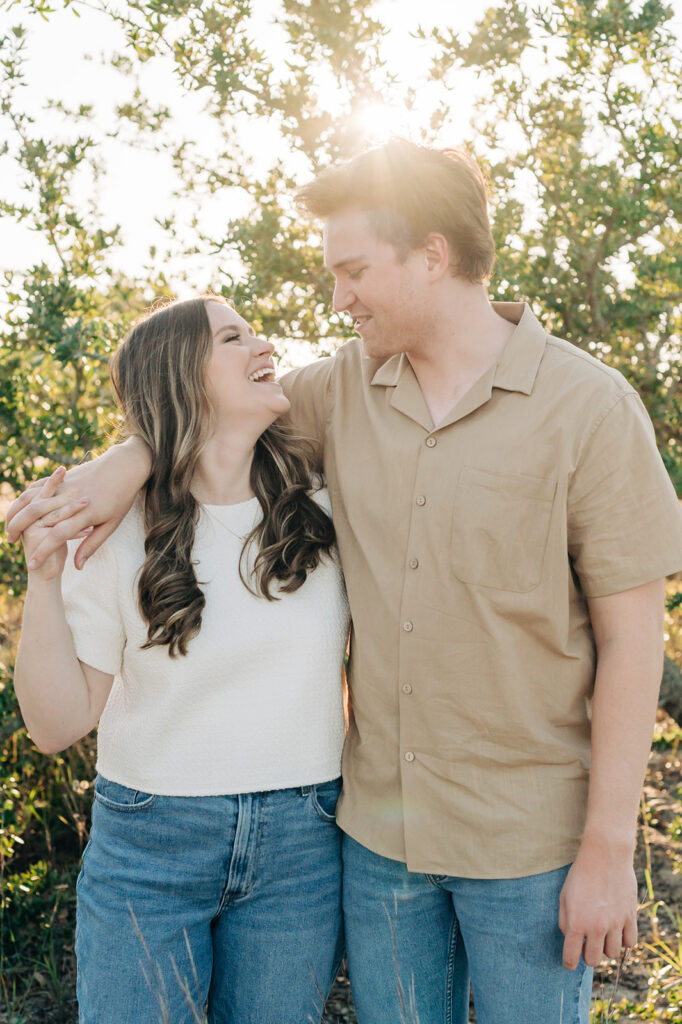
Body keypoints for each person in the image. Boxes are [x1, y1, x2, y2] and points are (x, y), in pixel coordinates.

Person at [9, 140, 682, 1024]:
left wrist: (607, 850)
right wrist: (123, 462)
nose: (337, 298)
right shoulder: (341, 393)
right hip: (378, 846)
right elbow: (207, 407)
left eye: (354, 270)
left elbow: (635, 640)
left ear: (432, 255)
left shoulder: (589, 409)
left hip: (531, 843)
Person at [12, 295, 350, 1024]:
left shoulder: (324, 505)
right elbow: (57, 724)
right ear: (182, 378)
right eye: (234, 337)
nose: (262, 346)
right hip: (150, 842)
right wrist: (42, 579)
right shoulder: (112, 530)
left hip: (304, 842)